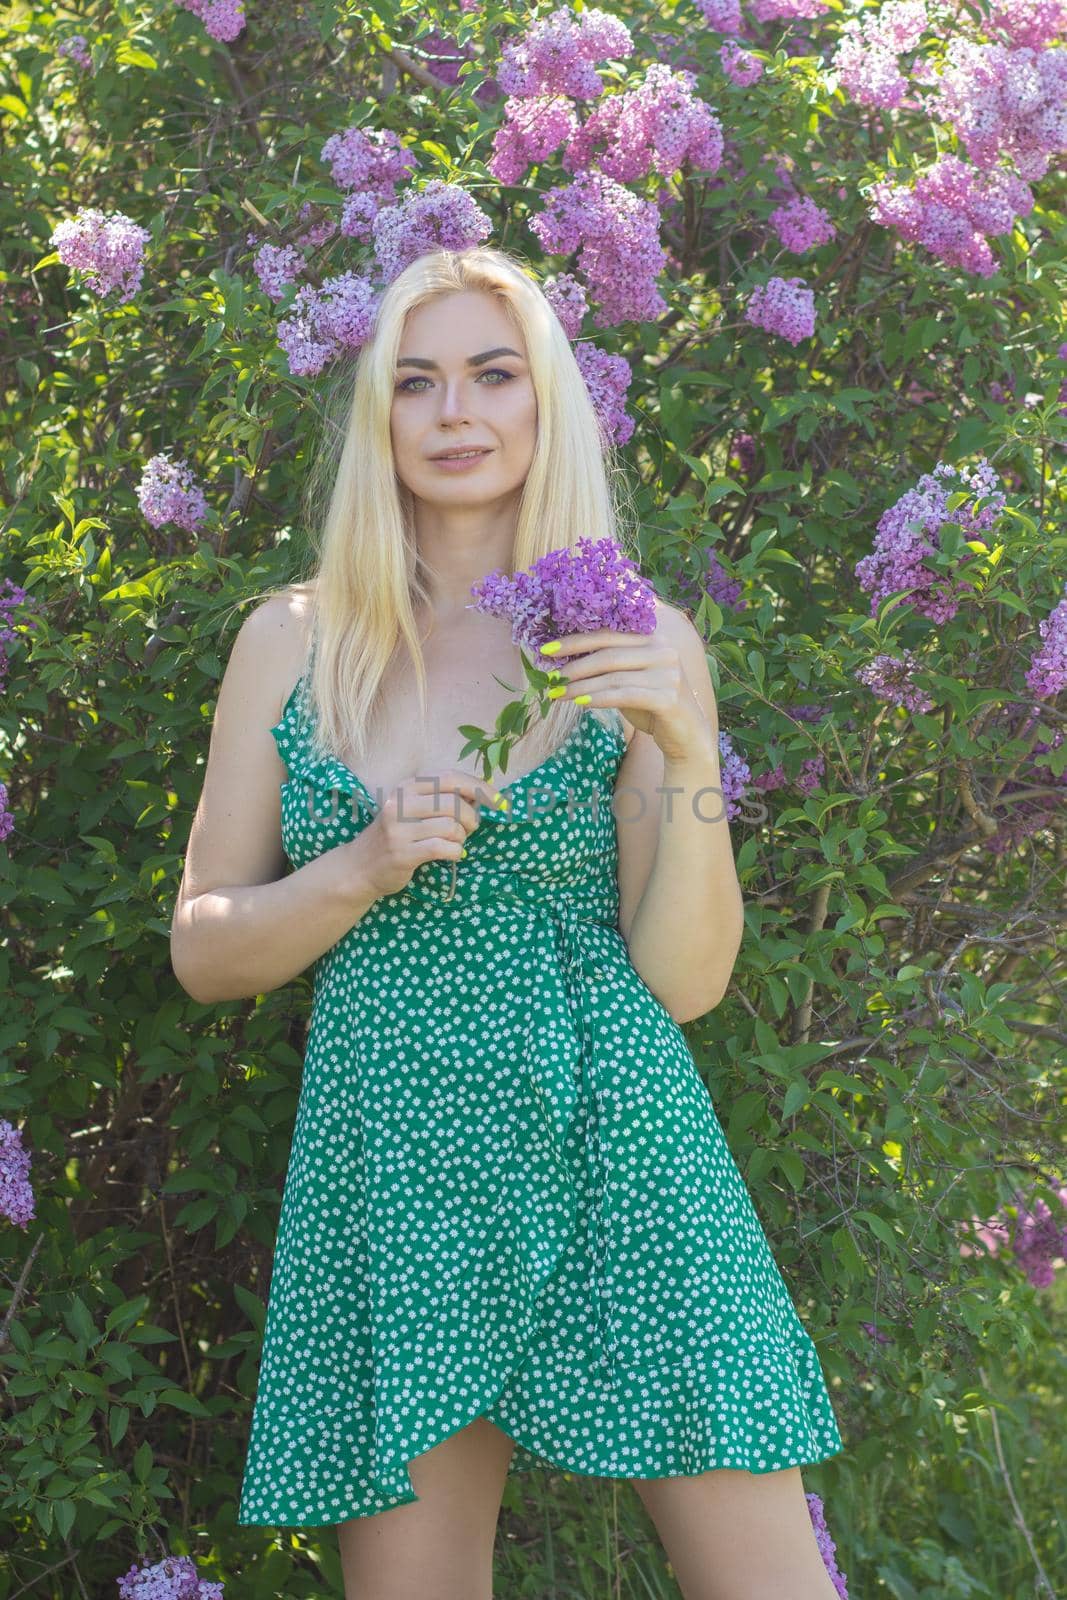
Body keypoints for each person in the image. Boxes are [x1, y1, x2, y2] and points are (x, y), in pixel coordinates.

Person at [170, 245, 846, 1600]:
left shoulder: (632, 639)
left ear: (546, 407)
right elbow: (202, 945)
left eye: (494, 374)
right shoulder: (293, 640)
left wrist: (686, 742)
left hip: (612, 1121)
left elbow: (688, 982)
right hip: (395, 1147)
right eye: (416, 383)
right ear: (380, 420)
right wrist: (360, 868)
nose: (456, 412)